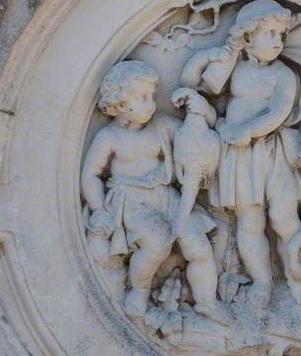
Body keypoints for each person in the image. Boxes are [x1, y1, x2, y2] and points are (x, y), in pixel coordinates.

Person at [180, 0, 301, 308]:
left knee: (284, 219)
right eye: (270, 33)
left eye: (282, 35)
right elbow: (197, 87)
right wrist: (209, 57)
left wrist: (248, 130)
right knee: (249, 222)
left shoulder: (283, 74)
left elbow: (278, 112)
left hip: (270, 151)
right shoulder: (234, 67)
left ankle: (297, 275)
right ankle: (262, 282)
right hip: (238, 157)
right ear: (248, 35)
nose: (278, 42)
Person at [80, 59, 225, 322]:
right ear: (120, 104)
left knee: (198, 244)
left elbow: (196, 134)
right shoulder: (109, 138)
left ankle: (207, 301)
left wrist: (201, 110)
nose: (151, 103)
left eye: (152, 96)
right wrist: (99, 209)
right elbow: (90, 174)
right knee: (157, 243)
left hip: (166, 196)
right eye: (142, 97)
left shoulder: (162, 125)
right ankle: (140, 290)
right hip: (131, 200)